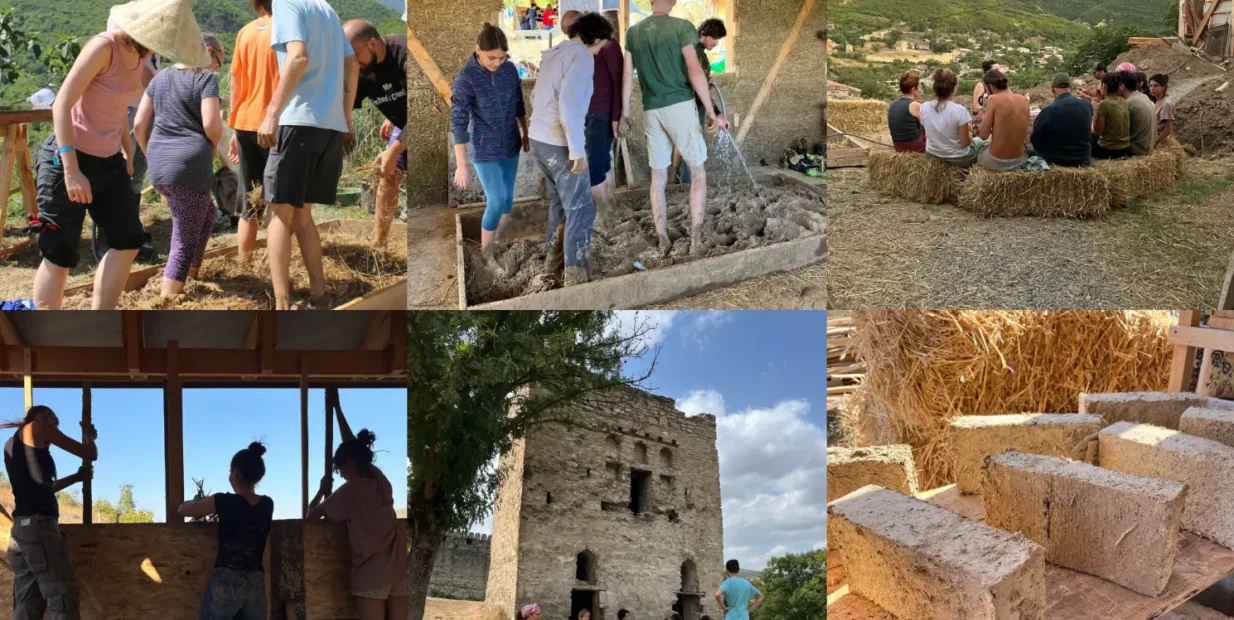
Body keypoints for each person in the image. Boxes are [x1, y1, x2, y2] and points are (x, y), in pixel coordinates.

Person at [31, 0, 208, 310]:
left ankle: (102, 321)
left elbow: (123, 110)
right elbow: (61, 105)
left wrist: (126, 153)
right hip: (67, 157)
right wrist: (72, 170)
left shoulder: (143, 60)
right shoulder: (104, 47)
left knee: (127, 241)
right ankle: (45, 336)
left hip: (110, 159)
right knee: (59, 253)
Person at [261, 0, 359, 309]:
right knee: (303, 215)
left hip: (298, 121)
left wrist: (272, 113)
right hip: (329, 125)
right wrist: (345, 116)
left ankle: (282, 305)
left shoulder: (287, 4)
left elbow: (297, 57)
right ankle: (319, 295)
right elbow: (352, 63)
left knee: (279, 213)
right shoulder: (326, 8)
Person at [626, 0, 730, 257]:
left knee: (657, 178)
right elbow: (694, 71)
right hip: (680, 106)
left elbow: (628, 75)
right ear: (672, 1)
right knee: (698, 175)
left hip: (651, 109)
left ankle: (663, 238)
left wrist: (625, 112)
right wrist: (711, 111)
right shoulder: (682, 27)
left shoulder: (634, 32)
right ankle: (696, 239)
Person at [134, 33, 225, 297]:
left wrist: (150, 154)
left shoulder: (160, 77)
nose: (216, 67)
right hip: (189, 166)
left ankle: (192, 272)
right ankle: (168, 299)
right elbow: (211, 124)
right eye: (218, 60)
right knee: (183, 239)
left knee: (206, 213)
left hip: (160, 166)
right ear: (208, 51)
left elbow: (140, 124)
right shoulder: (206, 79)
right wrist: (215, 147)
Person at [528, 12, 613, 286]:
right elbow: (569, 103)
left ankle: (552, 268)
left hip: (539, 138)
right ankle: (576, 277)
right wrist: (577, 149)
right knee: (582, 208)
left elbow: (534, 95)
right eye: (602, 44)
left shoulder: (554, 53)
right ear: (596, 38)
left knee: (559, 205)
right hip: (558, 142)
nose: (601, 51)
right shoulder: (582, 56)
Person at [307, 413, 407, 620]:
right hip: (398, 569)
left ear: (350, 462)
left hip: (371, 574)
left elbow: (311, 518)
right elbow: (354, 447)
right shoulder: (381, 481)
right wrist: (337, 407)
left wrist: (321, 490)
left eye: (341, 467)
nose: (340, 473)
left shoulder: (350, 491)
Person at [3, 405, 98, 620]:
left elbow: (42, 487)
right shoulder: (39, 426)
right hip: (40, 528)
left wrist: (76, 477)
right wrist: (89, 437)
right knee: (62, 597)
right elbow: (90, 453)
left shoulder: (12, 444)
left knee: (28, 602)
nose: (52, 427)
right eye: (51, 422)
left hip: (21, 532)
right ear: (39, 416)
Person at [451, 24, 530, 261]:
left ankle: (496, 241)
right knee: (495, 200)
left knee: (508, 200)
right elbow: (458, 122)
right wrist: (462, 164)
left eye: (502, 57)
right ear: (478, 50)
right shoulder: (466, 79)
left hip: (511, 143)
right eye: (491, 57)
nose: (497, 63)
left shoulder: (509, 71)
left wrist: (525, 132)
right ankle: (486, 256)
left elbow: (518, 104)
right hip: (485, 147)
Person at [178, 442, 274, 620]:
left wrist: (196, 499)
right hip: (256, 581)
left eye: (230, 472)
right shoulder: (268, 504)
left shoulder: (223, 501)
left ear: (236, 473)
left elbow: (183, 510)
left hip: (226, 579)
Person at [96, 14, 161, 264]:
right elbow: (139, 66)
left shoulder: (156, 18)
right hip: (127, 107)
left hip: (144, 107)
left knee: (136, 175)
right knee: (118, 173)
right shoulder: (122, 16)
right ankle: (109, 241)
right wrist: (169, 87)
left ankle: (129, 235)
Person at [344, 19, 410, 248]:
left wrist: (394, 148)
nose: (354, 63)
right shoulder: (359, 70)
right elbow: (343, 106)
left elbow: (425, 112)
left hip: (436, 125)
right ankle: (379, 243)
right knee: (388, 174)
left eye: (355, 55)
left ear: (372, 43)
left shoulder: (406, 54)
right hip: (405, 125)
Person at [227, 0, 281, 266]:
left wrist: (234, 129)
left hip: (245, 121)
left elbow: (235, 81)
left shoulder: (244, 32)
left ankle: (244, 262)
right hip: (275, 123)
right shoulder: (286, 28)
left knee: (249, 200)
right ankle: (275, 264)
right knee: (276, 200)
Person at [576, 11, 624, 222]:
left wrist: (616, 116)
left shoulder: (609, 46)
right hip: (590, 110)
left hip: (601, 112)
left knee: (595, 165)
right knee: (604, 161)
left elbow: (619, 80)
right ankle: (610, 206)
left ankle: (602, 213)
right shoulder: (585, 46)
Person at [675, 18, 727, 184]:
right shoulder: (697, 55)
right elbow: (699, 90)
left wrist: (708, 80)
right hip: (693, 106)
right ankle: (688, 184)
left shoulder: (687, 49)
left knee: (685, 144)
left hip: (682, 105)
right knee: (694, 147)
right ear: (703, 34)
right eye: (714, 38)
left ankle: (680, 181)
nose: (717, 43)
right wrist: (717, 114)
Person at [919, 69, 983, 167]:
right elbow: (965, 143)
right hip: (959, 158)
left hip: (932, 154)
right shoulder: (959, 110)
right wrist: (970, 135)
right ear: (954, 88)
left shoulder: (924, 107)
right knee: (979, 141)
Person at [1030, 72, 1093, 167]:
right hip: (1083, 160)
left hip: (1056, 162)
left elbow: (1036, 141)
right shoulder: (1087, 105)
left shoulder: (1048, 111)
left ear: (1052, 88)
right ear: (1069, 87)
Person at [976, 69, 1030, 171]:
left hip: (996, 161)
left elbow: (983, 135)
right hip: (1020, 160)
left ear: (991, 87)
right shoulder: (1024, 100)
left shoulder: (993, 99)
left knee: (978, 146)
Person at [1092, 71, 1131, 160]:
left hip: (1109, 151)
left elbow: (1098, 131)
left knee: (1090, 137)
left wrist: (1096, 109)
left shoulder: (1104, 104)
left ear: (1104, 86)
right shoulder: (1124, 101)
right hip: (1126, 149)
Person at [888, 71, 925, 153]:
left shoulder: (893, 104)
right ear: (913, 90)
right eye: (920, 86)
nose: (921, 89)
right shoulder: (915, 105)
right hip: (915, 147)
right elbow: (927, 127)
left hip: (898, 147)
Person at [1124, 70, 1157, 155]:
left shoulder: (1129, 103)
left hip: (1138, 150)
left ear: (1121, 86)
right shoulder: (1144, 96)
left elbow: (1118, 134)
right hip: (1149, 146)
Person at [1150, 73, 1176, 147]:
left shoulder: (1166, 104)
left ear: (1163, 87)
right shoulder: (1158, 101)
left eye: (1156, 86)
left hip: (1159, 141)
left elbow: (1168, 130)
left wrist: (1155, 144)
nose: (1152, 89)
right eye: (1151, 86)